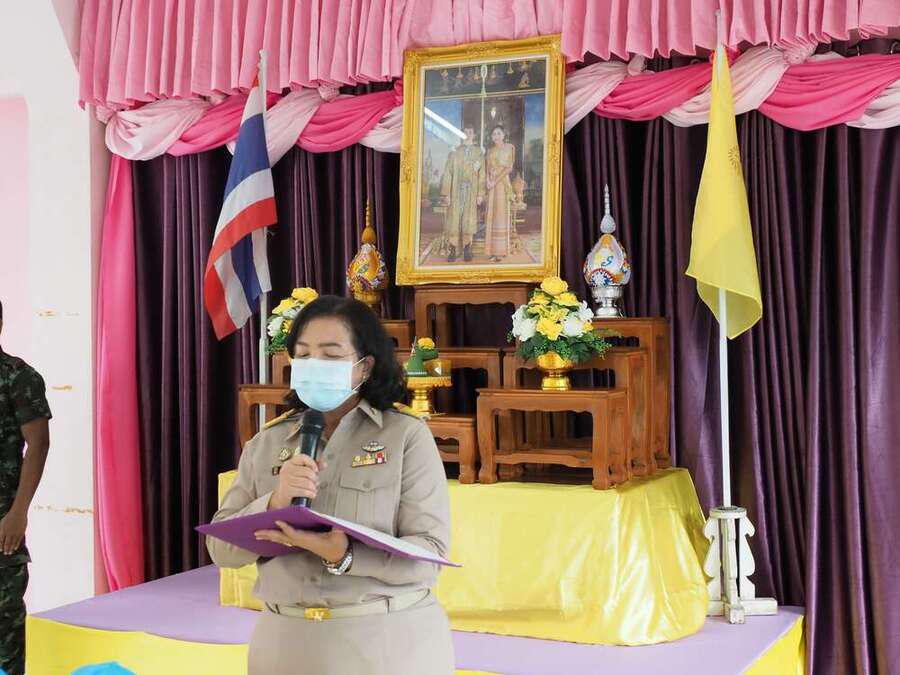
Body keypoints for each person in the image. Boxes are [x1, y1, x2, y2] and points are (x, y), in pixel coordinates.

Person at [207, 295, 454, 675]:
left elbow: (429, 557)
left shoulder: (405, 436)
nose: (313, 365)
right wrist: (275, 501)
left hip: (384, 643)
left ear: (365, 366)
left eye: (330, 355)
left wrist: (345, 555)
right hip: (284, 644)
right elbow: (221, 551)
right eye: (303, 355)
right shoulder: (267, 441)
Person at [0, 300, 52, 675]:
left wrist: (18, 512)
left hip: (3, 519)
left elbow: (38, 443)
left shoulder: (19, 377)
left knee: (5, 625)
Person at [438, 125, 485, 262]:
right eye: (465, 132)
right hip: (456, 190)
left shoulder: (479, 153)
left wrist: (480, 194)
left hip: (471, 190)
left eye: (470, 132)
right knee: (454, 219)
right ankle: (453, 249)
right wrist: (447, 194)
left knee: (469, 218)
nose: (468, 134)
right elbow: (448, 173)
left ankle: (467, 248)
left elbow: (482, 174)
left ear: (474, 135)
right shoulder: (455, 152)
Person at [483, 125, 516, 262]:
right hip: (491, 185)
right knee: (491, 215)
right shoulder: (490, 151)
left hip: (502, 184)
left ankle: (500, 251)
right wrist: (487, 181)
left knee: (500, 216)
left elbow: (508, 169)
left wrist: (494, 182)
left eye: (498, 133)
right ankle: (491, 251)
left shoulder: (509, 148)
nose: (496, 136)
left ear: (503, 134)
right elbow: (486, 168)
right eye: (493, 134)